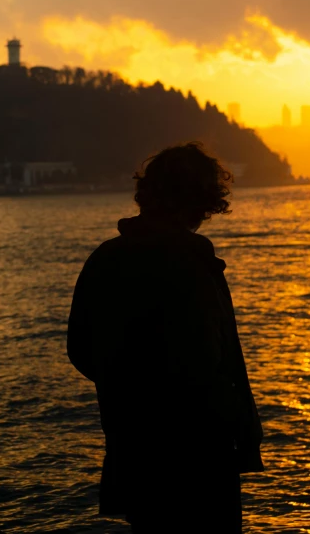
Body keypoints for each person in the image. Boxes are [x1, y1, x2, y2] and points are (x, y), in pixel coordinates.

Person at [67, 142, 264, 533]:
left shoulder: (105, 259)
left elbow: (81, 350)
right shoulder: (191, 262)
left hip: (134, 444)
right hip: (199, 452)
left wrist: (125, 384)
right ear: (201, 202)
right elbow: (209, 357)